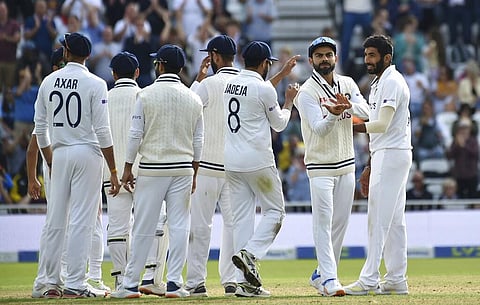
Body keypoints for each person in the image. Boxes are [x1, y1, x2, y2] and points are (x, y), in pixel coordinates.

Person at [110, 44, 204, 299]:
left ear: (159, 65)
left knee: (143, 226)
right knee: (179, 225)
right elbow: (199, 141)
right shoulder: (194, 98)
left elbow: (135, 134)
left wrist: (127, 167)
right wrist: (194, 172)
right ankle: (174, 283)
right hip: (183, 168)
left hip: (152, 168)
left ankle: (129, 285)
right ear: (181, 68)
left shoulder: (146, 95)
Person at [33, 32, 120, 298]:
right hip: (87, 153)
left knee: (55, 220)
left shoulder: (49, 80)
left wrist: (50, 160)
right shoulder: (95, 83)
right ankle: (75, 283)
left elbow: (40, 127)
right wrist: (114, 170)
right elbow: (103, 131)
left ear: (67, 52)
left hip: (59, 152)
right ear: (88, 56)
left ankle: (47, 283)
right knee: (83, 220)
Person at [294, 36, 370, 297]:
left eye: (328, 55)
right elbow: (319, 128)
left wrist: (346, 105)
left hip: (347, 165)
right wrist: (334, 114)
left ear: (335, 58)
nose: (324, 59)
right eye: (319, 56)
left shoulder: (347, 83)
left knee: (339, 224)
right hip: (320, 167)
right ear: (311, 60)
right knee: (323, 224)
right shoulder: (306, 93)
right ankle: (329, 278)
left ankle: (321, 273)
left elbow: (367, 110)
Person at [223, 40, 299, 297]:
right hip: (258, 164)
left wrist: (281, 74)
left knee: (242, 221)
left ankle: (243, 283)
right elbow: (278, 124)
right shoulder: (264, 90)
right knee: (275, 212)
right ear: (265, 63)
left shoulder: (229, 83)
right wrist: (288, 102)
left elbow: (257, 92)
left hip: (232, 164)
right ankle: (251, 254)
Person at [343, 34, 412, 296]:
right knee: (394, 221)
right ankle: (396, 279)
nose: (367, 60)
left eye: (372, 55)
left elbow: (381, 125)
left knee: (377, 219)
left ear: (386, 57)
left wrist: (349, 125)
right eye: (366, 55)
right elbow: (377, 121)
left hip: (392, 153)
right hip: (388, 152)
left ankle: (369, 279)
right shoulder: (379, 82)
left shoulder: (392, 81)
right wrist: (348, 108)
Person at [105, 51, 169, 296]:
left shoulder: (105, 97)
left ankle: (122, 281)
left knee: (118, 227)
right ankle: (152, 277)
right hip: (143, 170)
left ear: (112, 73)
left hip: (111, 173)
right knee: (157, 222)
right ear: (137, 73)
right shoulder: (146, 95)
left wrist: (113, 170)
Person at [185, 34, 239, 297]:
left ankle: (196, 282)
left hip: (206, 165)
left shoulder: (207, 85)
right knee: (233, 226)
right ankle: (231, 281)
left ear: (215, 57)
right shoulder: (245, 83)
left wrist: (199, 77)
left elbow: (187, 107)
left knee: (200, 226)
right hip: (235, 167)